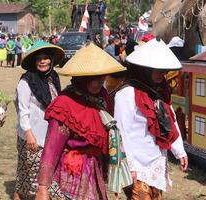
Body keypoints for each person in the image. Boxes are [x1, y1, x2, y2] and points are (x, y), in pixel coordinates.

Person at [35, 43, 131, 200]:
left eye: (102, 77)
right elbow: (52, 146)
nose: (100, 82)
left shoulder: (102, 97)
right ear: (82, 78)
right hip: (73, 171)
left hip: (95, 167)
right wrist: (43, 187)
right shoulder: (64, 103)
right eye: (94, 78)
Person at [114, 38, 188, 199]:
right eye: (157, 69)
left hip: (157, 162)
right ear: (145, 69)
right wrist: (129, 166)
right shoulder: (126, 94)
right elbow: (121, 132)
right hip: (136, 165)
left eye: (164, 70)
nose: (162, 74)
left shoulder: (160, 92)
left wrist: (179, 151)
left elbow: (170, 122)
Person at [13, 41, 65, 200]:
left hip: (51, 136)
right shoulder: (26, 81)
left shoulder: (53, 78)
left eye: (46, 58)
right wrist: (29, 134)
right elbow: (22, 110)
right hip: (32, 137)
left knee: (36, 178)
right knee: (36, 180)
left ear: (51, 60)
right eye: (39, 59)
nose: (43, 61)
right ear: (34, 62)